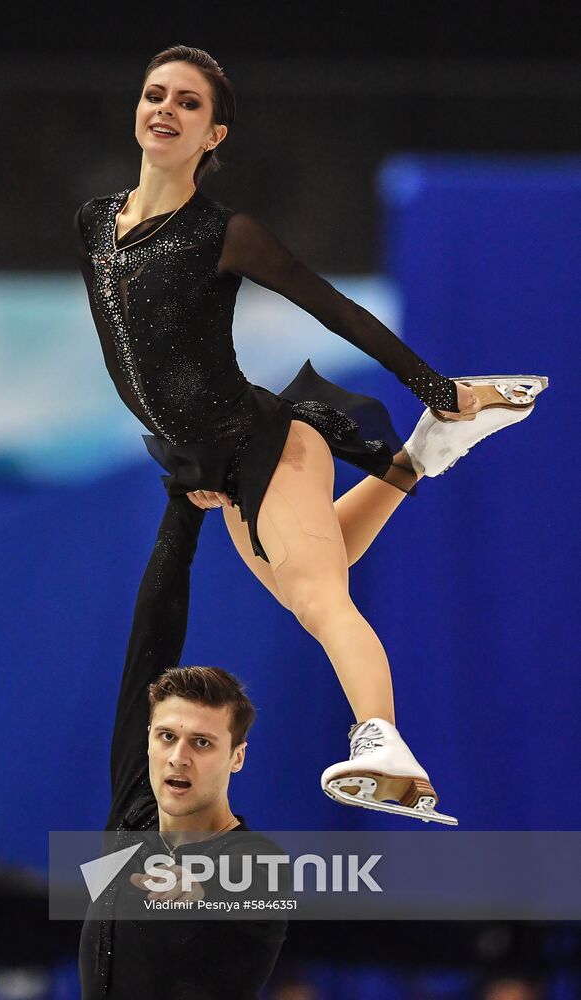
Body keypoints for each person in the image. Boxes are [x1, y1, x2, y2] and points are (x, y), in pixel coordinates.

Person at [74, 45, 547, 824]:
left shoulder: (226, 233)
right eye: (155, 94)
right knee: (311, 575)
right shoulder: (94, 221)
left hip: (266, 440)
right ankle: (418, 458)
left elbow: (334, 308)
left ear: (214, 135)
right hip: (217, 465)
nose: (164, 108)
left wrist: (434, 386)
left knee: (322, 598)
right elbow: (132, 356)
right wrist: (186, 456)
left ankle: (384, 746)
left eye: (188, 103)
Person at [78, 495, 287, 999]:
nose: (178, 756)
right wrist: (184, 505)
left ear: (237, 756)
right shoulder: (136, 806)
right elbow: (152, 634)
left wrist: (200, 887)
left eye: (203, 743)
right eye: (167, 736)